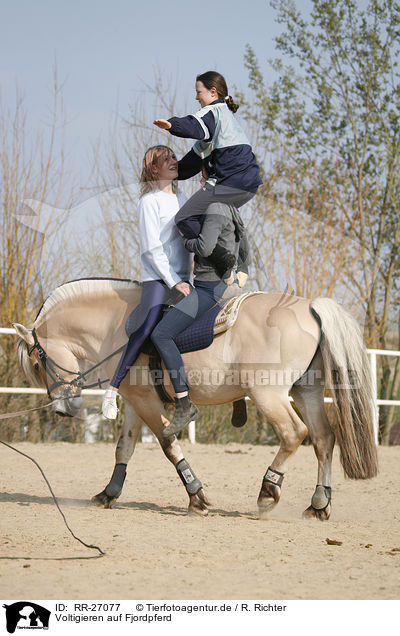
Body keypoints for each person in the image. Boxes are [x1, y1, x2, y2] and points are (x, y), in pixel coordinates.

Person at [102, 145, 192, 419]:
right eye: (166, 159)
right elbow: (152, 249)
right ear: (154, 169)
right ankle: (113, 389)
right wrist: (174, 281)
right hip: (158, 278)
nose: (174, 161)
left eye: (174, 157)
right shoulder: (149, 202)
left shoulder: (183, 198)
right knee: (145, 327)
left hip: (184, 278)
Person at [154, 70, 262, 287]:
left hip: (230, 181)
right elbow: (192, 162)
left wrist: (172, 125)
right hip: (249, 184)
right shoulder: (226, 123)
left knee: (184, 219)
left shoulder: (215, 111)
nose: (196, 98)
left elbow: (194, 125)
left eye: (198, 92)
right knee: (220, 218)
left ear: (213, 92)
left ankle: (222, 259)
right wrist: (171, 172)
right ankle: (241, 265)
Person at [150, 198, 241, 438]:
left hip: (207, 289)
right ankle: (239, 398)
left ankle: (183, 404)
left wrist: (186, 238)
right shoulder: (233, 209)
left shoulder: (211, 207)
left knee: (161, 334)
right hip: (231, 287)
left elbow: (205, 247)